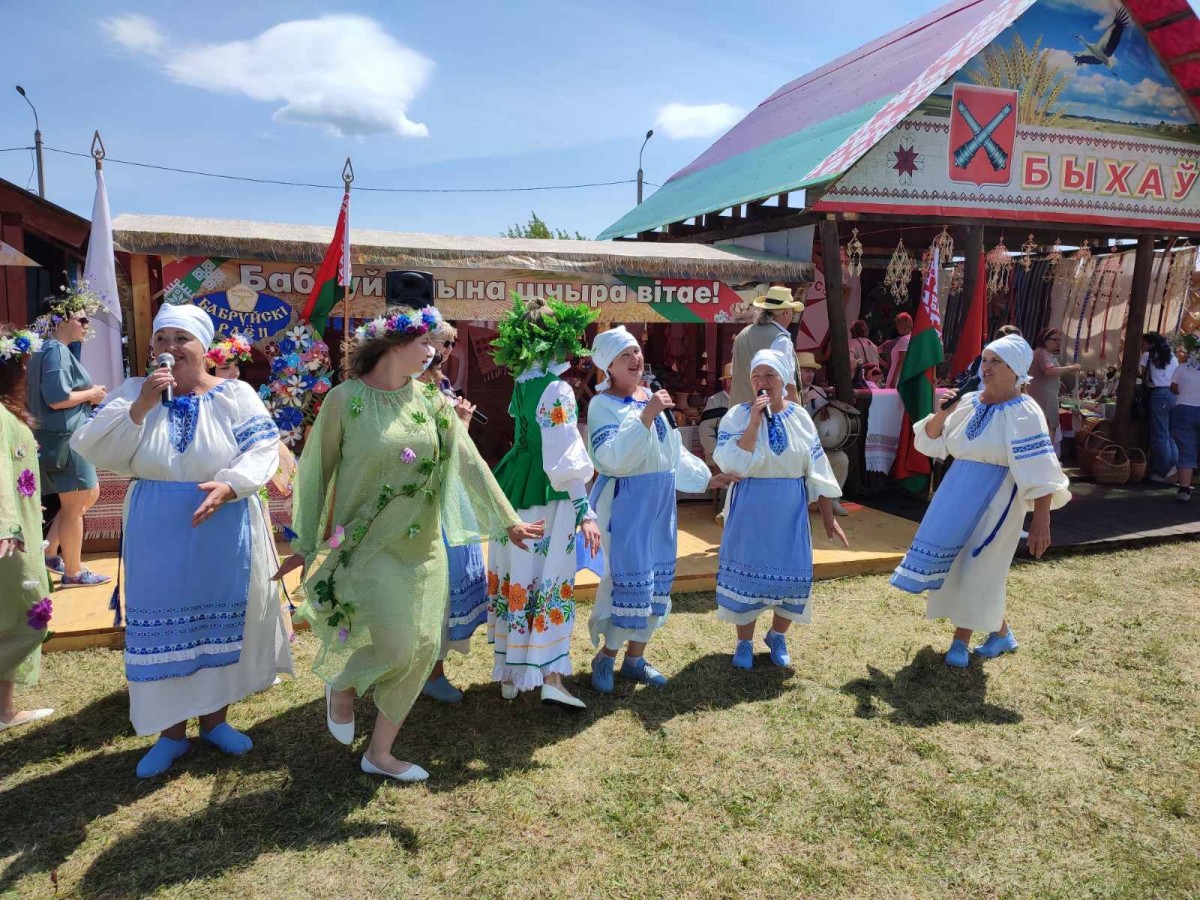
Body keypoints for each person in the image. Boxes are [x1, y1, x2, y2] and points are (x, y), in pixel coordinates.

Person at [280, 305, 540, 782]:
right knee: (397, 643)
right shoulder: (344, 400)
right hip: (366, 545)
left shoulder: (435, 403)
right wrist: (306, 541)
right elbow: (316, 473)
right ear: (393, 344)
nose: (434, 352)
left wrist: (507, 521)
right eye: (425, 343)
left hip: (424, 549)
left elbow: (468, 463)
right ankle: (342, 685)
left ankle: (379, 753)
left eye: (436, 344)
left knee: (421, 647)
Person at [71, 304, 294, 778]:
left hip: (223, 521)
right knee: (163, 626)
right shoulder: (134, 392)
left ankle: (215, 722)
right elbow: (95, 447)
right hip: (158, 525)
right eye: (162, 339)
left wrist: (231, 484)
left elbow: (263, 448)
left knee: (219, 622)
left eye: (182, 339)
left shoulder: (234, 394)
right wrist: (142, 407)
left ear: (204, 348)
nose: (170, 348)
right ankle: (170, 734)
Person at [890, 335, 1071, 667]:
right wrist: (943, 413)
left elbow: (1041, 469)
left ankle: (961, 641)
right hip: (956, 491)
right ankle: (1001, 633)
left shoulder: (1025, 411)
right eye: (984, 360)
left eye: (994, 361)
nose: (985, 367)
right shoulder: (969, 401)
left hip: (999, 497)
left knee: (981, 565)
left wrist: (1041, 520)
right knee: (959, 564)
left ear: (1015, 369)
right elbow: (931, 441)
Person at [586, 327, 736, 691]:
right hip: (628, 501)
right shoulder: (601, 404)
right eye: (625, 355)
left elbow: (673, 451)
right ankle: (606, 657)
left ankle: (635, 659)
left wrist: (704, 479)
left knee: (656, 580)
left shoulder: (650, 396)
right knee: (627, 578)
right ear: (608, 365)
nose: (635, 359)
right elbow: (610, 458)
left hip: (661, 501)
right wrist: (646, 416)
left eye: (636, 351)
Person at [486, 295, 601, 710]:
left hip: (516, 487)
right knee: (549, 577)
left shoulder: (522, 383)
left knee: (519, 575)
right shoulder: (557, 389)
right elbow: (562, 456)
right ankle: (551, 675)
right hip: (548, 495)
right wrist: (584, 508)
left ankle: (513, 673)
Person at [713, 349, 849, 670]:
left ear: (784, 380)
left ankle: (777, 635)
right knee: (747, 575)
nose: (762, 381)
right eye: (756, 375)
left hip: (789, 508)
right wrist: (754, 422)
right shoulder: (736, 416)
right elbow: (731, 462)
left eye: (769, 375)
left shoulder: (800, 417)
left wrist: (828, 515)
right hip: (750, 504)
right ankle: (744, 642)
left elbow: (816, 468)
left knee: (792, 576)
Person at [418, 322, 487, 704]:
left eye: (447, 343)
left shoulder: (438, 385)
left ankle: (433, 669)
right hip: (425, 497)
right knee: (428, 582)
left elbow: (455, 453)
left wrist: (459, 423)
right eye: (441, 342)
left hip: (447, 495)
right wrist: (460, 423)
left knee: (443, 585)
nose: (445, 349)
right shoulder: (411, 390)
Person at [27, 291, 109, 588]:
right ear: (61, 321)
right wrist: (93, 394)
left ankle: (50, 551)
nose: (87, 325)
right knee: (75, 506)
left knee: (89, 494)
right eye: (82, 319)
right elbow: (58, 398)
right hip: (67, 438)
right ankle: (74, 573)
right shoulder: (57, 351)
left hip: (57, 436)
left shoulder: (43, 349)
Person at [0, 326, 55, 732]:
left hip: (18, 529)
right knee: (29, 611)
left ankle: (4, 709)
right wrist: (6, 524)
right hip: (10, 537)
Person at [730, 286, 804, 406]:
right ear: (786, 312)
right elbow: (788, 386)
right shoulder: (780, 339)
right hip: (768, 416)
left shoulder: (742, 335)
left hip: (738, 415)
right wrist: (798, 419)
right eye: (792, 311)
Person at [798, 352, 849, 516]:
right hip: (796, 447)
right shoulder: (787, 392)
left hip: (817, 444)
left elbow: (827, 419)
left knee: (841, 459)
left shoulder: (819, 391)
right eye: (806, 370)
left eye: (812, 371)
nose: (810, 374)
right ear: (796, 371)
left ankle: (833, 499)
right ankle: (807, 500)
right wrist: (803, 401)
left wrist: (827, 410)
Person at [1028, 327, 1081, 458]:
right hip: (1044, 397)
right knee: (1047, 428)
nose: (1058, 342)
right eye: (1055, 339)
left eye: (1059, 340)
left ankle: (1043, 458)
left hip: (1045, 394)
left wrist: (1059, 382)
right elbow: (1049, 371)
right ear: (1044, 340)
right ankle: (1044, 459)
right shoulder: (1042, 353)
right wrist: (1071, 368)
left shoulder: (1044, 353)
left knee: (1045, 427)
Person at [1141, 332, 1179, 482]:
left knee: (1160, 435)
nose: (1142, 347)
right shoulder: (1172, 356)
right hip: (1174, 395)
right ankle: (1173, 468)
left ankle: (1161, 472)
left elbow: (1141, 375)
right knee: (1170, 434)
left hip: (1159, 395)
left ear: (1150, 344)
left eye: (1143, 344)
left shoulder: (1148, 356)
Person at [1170, 336, 1200, 502]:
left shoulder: (1182, 368)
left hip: (1184, 409)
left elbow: (1173, 386)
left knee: (1186, 448)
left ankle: (1184, 490)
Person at [699, 363, 733, 465]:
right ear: (728, 381)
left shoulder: (744, 401)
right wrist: (716, 452)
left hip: (737, 457)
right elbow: (705, 429)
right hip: (718, 458)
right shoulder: (715, 401)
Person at [883, 313, 914, 389]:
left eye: (897, 325)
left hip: (897, 376)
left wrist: (894, 379)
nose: (896, 327)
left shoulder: (904, 340)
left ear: (902, 326)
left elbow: (901, 361)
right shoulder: (913, 338)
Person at [848, 320, 881, 386]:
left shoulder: (850, 343)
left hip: (858, 383)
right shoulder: (873, 345)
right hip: (873, 383)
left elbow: (850, 364)